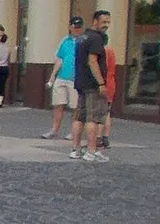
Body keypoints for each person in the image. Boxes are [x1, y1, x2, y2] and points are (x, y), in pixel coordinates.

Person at [70, 9, 110, 162]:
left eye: (108, 22)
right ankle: (91, 151)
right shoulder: (96, 39)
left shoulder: (82, 37)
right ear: (95, 21)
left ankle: (75, 149)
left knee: (79, 117)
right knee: (93, 118)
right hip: (92, 85)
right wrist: (101, 82)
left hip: (81, 82)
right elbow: (92, 61)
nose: (106, 25)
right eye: (104, 22)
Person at [42, 17, 83, 140]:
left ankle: (74, 131)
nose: (77, 29)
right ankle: (54, 129)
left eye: (79, 27)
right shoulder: (65, 41)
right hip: (62, 76)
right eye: (75, 27)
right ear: (70, 27)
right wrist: (52, 77)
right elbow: (59, 59)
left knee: (75, 106)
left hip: (76, 78)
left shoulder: (83, 41)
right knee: (58, 104)